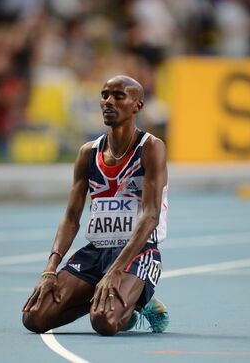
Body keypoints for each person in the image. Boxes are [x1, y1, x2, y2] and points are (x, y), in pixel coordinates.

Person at [22, 75, 169, 335]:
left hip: (138, 253)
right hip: (97, 251)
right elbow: (70, 217)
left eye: (118, 96)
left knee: (104, 322)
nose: (108, 101)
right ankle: (109, 295)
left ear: (137, 105)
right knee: (34, 318)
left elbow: (150, 217)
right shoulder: (88, 153)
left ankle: (136, 303)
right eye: (104, 95)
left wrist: (115, 271)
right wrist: (50, 269)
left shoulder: (151, 148)